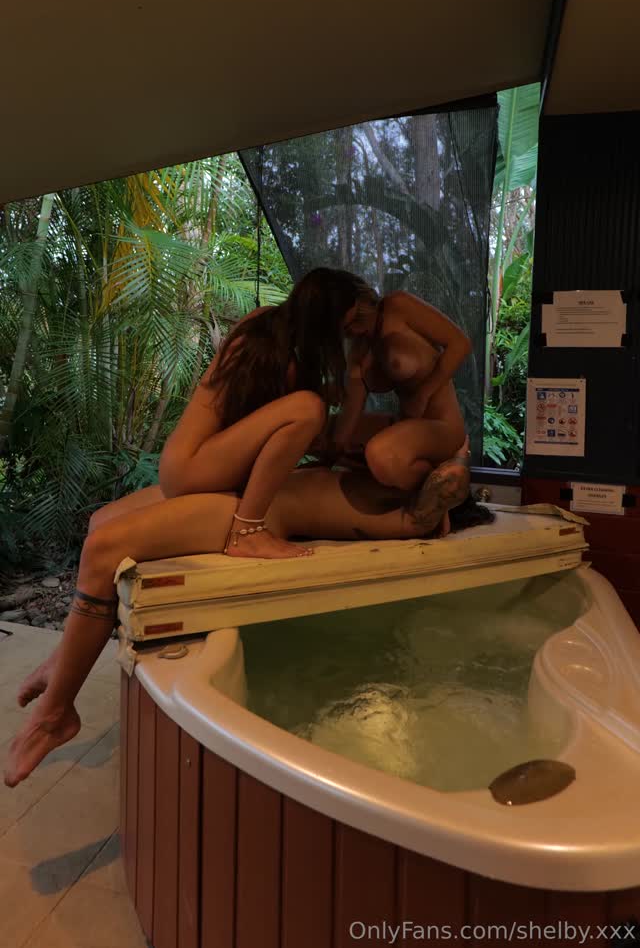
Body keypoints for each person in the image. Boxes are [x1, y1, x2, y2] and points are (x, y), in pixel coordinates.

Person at [5, 442, 488, 788]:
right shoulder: (386, 473)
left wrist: (457, 450)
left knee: (105, 548)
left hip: (256, 516)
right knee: (101, 522)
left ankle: (58, 713)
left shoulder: (416, 517)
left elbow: (448, 481)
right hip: (249, 492)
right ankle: (63, 658)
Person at [157, 266, 380, 560]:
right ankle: (246, 531)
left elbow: (258, 427)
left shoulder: (268, 323)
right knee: (308, 407)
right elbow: (266, 424)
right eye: (346, 326)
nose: (349, 336)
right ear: (325, 323)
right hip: (190, 466)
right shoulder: (268, 348)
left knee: (312, 407)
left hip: (188, 462)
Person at [321, 278, 472, 529]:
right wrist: (328, 458)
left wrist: (424, 393)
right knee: (318, 431)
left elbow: (460, 343)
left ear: (359, 303)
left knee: (380, 455)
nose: (350, 329)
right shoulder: (358, 349)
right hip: (405, 427)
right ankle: (423, 484)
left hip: (442, 426)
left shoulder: (398, 306)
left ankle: (443, 486)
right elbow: (350, 414)